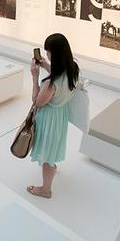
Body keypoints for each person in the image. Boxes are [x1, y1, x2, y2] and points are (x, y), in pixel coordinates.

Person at [26, 33, 80, 199]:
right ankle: (52, 166)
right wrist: (46, 66)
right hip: (60, 115)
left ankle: (45, 189)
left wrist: (35, 77)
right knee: (53, 144)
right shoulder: (73, 69)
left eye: (49, 53)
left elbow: (37, 101)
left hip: (49, 118)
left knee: (47, 157)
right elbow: (60, 78)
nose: (47, 55)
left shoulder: (50, 83)